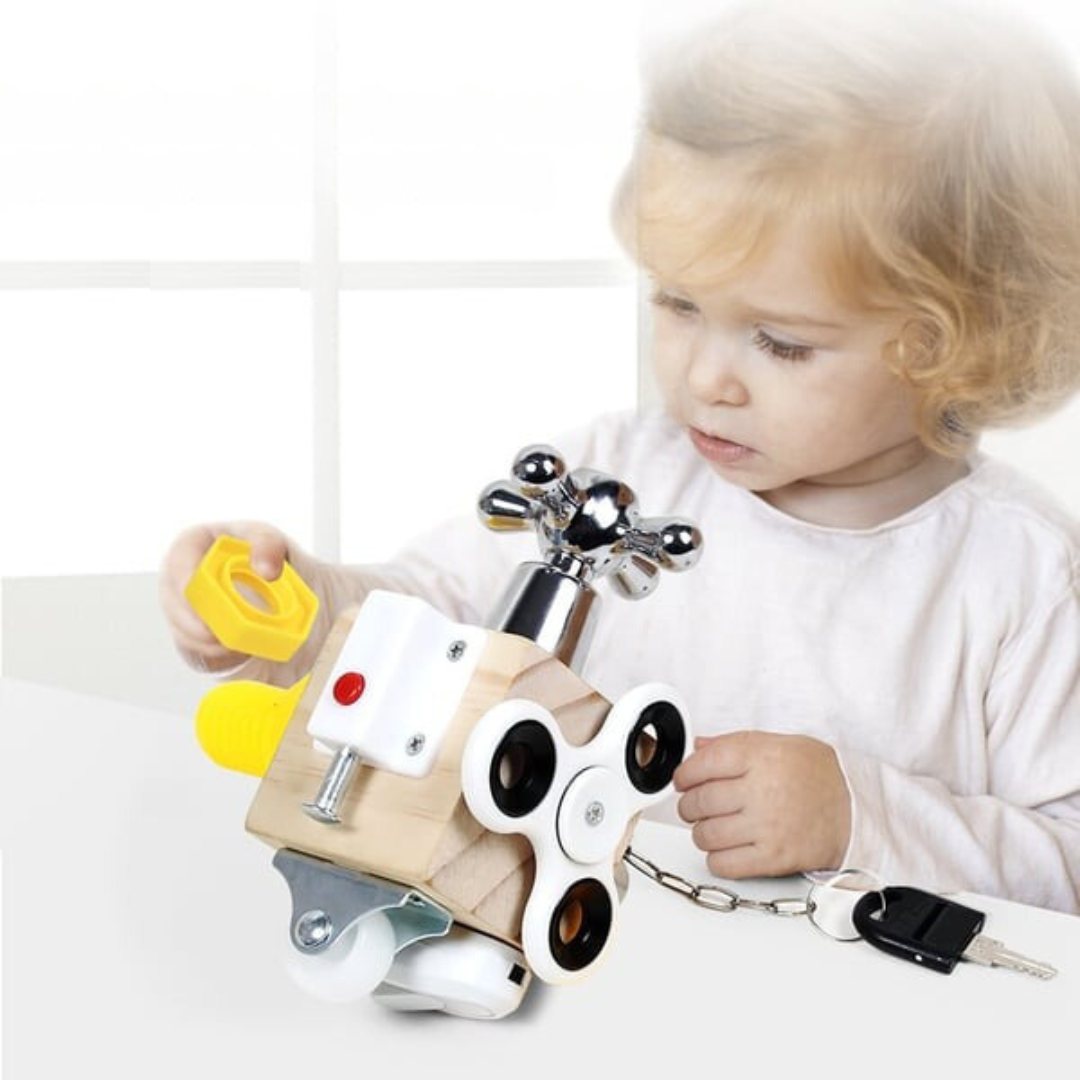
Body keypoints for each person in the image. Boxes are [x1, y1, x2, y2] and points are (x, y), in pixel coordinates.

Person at [160, 0, 1080, 912]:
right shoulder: (607, 483)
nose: (704, 377)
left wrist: (858, 816)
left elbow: (1067, 865)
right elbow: (432, 626)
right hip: (552, 954)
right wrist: (299, 611)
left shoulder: (1019, 574)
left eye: (782, 342)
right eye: (678, 304)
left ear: (964, 342)